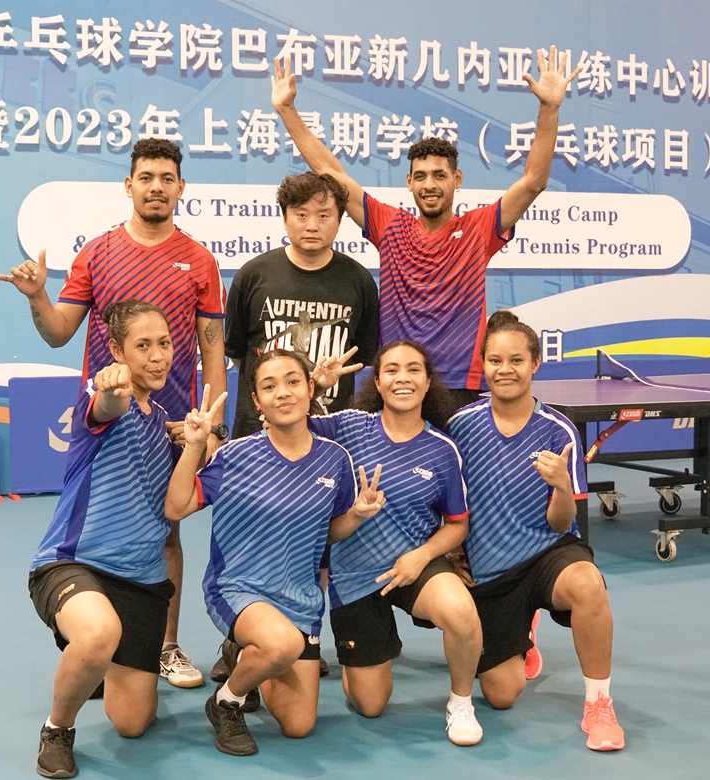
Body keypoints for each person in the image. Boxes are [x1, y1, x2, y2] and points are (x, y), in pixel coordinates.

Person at [0, 138, 226, 689]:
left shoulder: (199, 260)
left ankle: (163, 646)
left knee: (165, 533)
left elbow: (213, 350)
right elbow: (58, 334)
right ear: (129, 185)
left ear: (180, 187)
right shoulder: (96, 254)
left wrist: (212, 428)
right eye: (145, 176)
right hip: (108, 423)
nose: (156, 186)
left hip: (172, 425)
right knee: (98, 527)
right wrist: (35, 297)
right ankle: (92, 632)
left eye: (167, 177)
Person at [272, 47, 581, 409]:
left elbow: (533, 181)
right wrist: (287, 111)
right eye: (420, 176)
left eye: (439, 175)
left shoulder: (480, 228)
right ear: (408, 182)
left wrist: (549, 108)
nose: (429, 184)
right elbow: (332, 175)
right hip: (396, 381)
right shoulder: (390, 225)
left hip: (457, 385)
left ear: (457, 179)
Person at [164, 349, 385, 757]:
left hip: (300, 600)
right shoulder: (236, 456)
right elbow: (176, 507)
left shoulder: (336, 460)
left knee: (298, 725)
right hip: (238, 589)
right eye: (269, 386)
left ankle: (244, 655)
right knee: (281, 644)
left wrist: (355, 515)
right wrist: (195, 447)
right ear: (257, 401)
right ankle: (226, 703)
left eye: (292, 382)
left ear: (309, 389)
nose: (282, 393)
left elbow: (329, 533)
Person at [446, 310, 624, 752]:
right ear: (483, 364)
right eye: (494, 361)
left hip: (547, 555)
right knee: (502, 695)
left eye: (516, 360)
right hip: (491, 576)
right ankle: (524, 626)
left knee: (589, 586)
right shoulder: (461, 426)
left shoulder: (557, 429)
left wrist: (562, 484)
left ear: (535, 363)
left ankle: (599, 703)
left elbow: (562, 523)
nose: (504, 370)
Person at [27, 300, 187, 778]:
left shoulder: (166, 425)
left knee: (133, 723)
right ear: (117, 350)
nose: (158, 356)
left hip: (141, 583)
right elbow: (108, 403)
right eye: (143, 346)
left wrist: (200, 441)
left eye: (164, 343)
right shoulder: (99, 403)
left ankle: (96, 665)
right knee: (98, 635)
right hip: (74, 565)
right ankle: (58, 729)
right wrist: (112, 386)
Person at [306, 340, 484, 745]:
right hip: (354, 577)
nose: (402, 377)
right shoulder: (350, 426)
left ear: (427, 382)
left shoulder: (442, 449)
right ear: (378, 382)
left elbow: (457, 525)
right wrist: (316, 385)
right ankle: (366, 660)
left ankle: (460, 702)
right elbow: (289, 420)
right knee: (370, 704)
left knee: (461, 612)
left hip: (415, 565)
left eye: (413, 370)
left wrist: (420, 557)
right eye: (391, 370)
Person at [224, 171, 379, 439]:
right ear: (285, 219)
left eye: (323, 215)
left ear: (340, 220)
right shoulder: (253, 275)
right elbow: (239, 354)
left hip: (332, 435)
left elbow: (361, 356)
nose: (312, 225)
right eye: (301, 214)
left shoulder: (360, 280)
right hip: (259, 434)